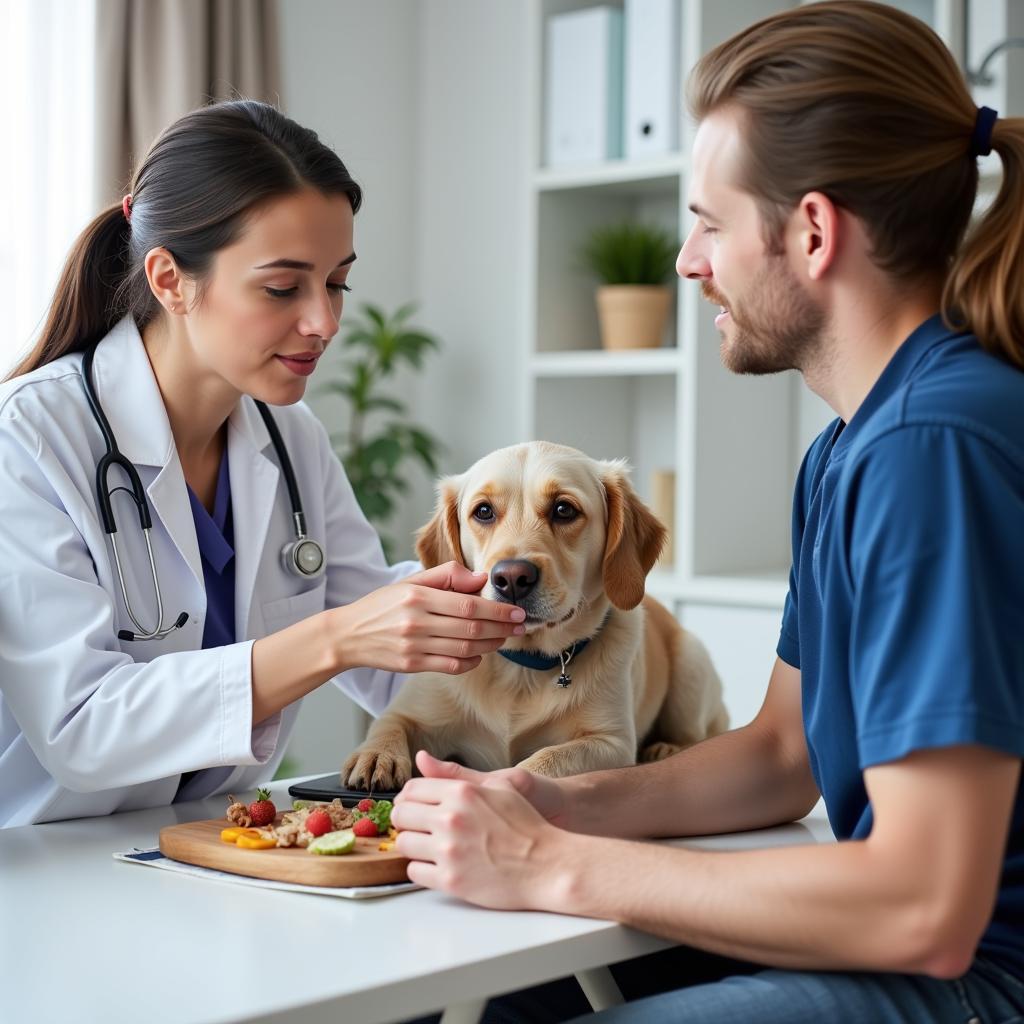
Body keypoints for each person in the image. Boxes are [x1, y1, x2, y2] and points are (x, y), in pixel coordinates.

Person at [391, 2, 1024, 1021]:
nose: (688, 262)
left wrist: (553, 865)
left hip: (984, 977)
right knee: (520, 997)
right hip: (929, 950)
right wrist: (554, 800)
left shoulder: (929, 450)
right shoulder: (852, 450)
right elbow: (784, 756)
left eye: (709, 224)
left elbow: (925, 907)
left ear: (812, 231)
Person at [0, 100, 527, 828]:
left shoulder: (289, 437)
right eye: (283, 288)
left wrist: (515, 602)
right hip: (41, 862)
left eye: (337, 283)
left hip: (209, 836)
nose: (325, 322)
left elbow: (381, 650)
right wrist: (335, 639)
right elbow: (81, 727)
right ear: (169, 279)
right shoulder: (28, 438)